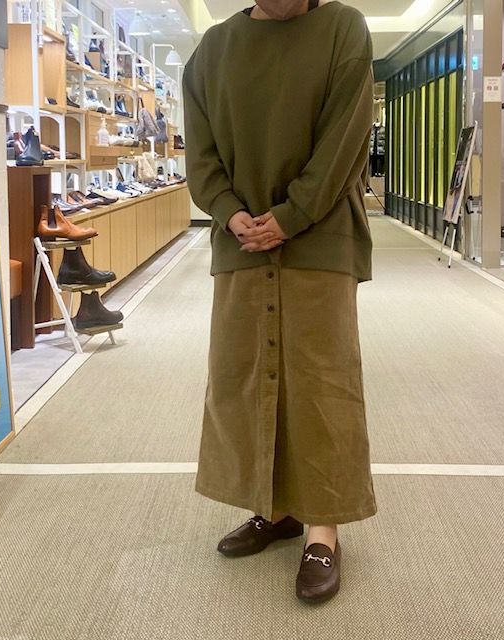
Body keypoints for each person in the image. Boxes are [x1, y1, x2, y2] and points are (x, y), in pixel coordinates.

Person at [183, 0, 377, 604]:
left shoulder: (342, 28)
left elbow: (345, 138)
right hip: (240, 241)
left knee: (321, 381)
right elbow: (201, 153)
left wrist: (292, 215)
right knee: (245, 377)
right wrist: (228, 211)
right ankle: (275, 507)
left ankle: (323, 529)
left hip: (321, 238)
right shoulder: (213, 50)